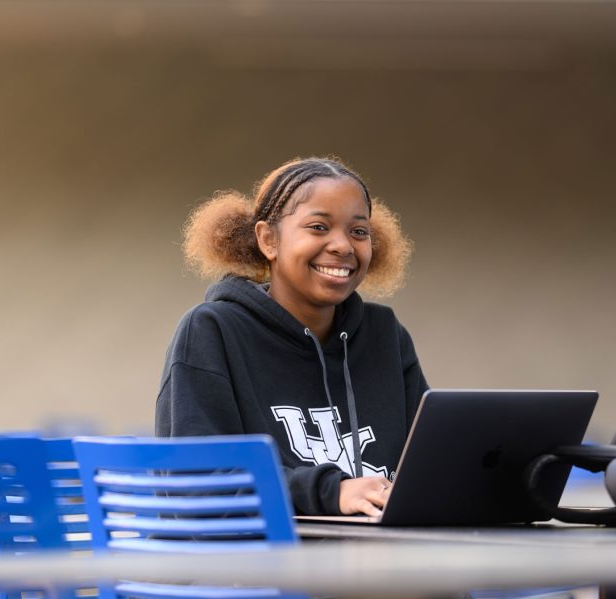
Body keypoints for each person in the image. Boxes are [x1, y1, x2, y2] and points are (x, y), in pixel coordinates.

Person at [155, 157, 429, 517]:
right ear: (269, 239)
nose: (343, 246)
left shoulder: (385, 335)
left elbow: (430, 466)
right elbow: (201, 488)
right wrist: (332, 492)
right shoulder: (212, 332)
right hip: (240, 565)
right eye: (318, 227)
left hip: (370, 562)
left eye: (359, 232)